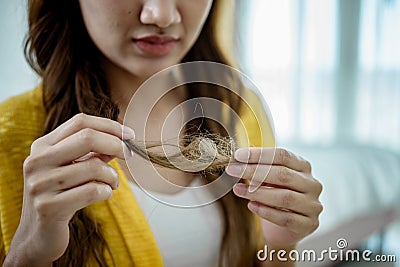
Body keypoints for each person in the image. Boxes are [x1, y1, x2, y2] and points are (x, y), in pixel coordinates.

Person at [0, 0, 323, 266]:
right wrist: (28, 254)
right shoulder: (9, 137)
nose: (161, 15)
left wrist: (281, 244)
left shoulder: (237, 109)